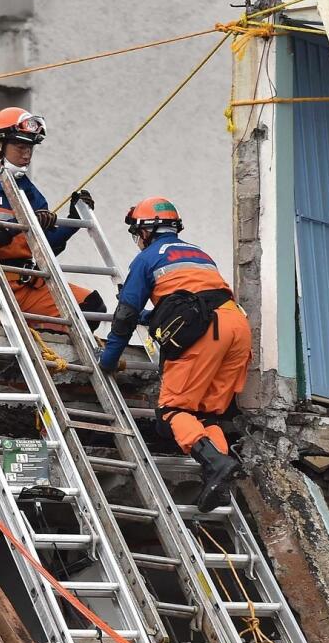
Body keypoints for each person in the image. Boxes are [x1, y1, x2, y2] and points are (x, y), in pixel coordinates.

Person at [97, 197, 250, 513]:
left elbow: (125, 314)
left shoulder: (147, 258)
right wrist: (149, 316)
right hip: (236, 325)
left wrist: (109, 359)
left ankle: (217, 466)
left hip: (208, 331)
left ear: (146, 231)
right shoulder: (198, 254)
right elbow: (192, 299)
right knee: (207, 415)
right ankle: (218, 479)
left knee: (171, 412)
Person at [0, 107, 102, 326]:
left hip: (25, 287)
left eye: (30, 147)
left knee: (91, 308)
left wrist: (72, 220)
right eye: (20, 146)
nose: (27, 154)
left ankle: (45, 347)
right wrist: (24, 224)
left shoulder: (31, 194)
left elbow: (45, 249)